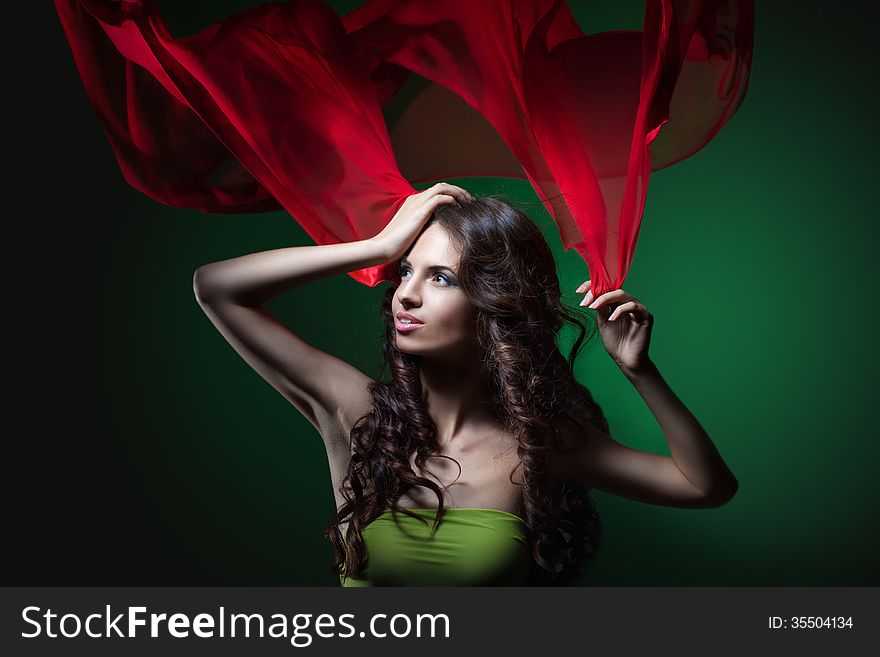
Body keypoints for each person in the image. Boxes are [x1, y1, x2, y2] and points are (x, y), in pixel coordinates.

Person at [192, 182, 738, 586]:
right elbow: (217, 287)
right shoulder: (357, 414)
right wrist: (377, 249)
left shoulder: (540, 446)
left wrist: (640, 372)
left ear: (494, 304)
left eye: (441, 278)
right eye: (406, 271)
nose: (406, 295)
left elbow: (705, 486)